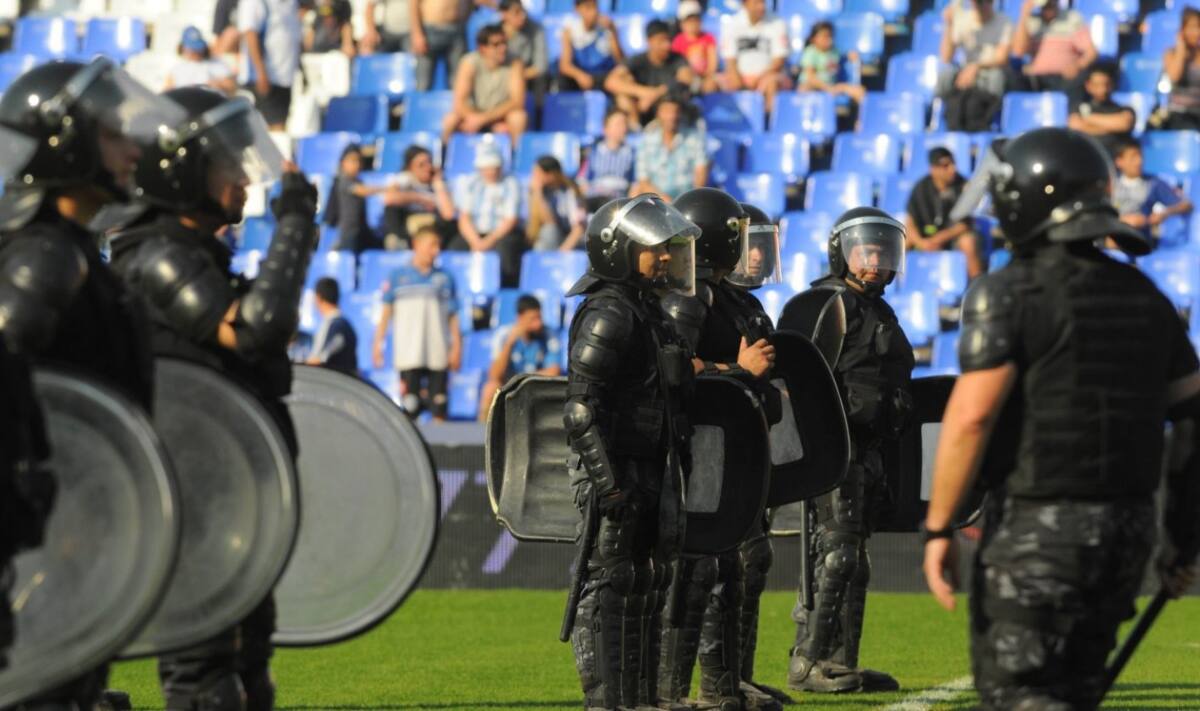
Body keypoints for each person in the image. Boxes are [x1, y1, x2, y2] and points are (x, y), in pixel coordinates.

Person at [921, 126, 1200, 711]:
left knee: (1022, 693)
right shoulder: (1148, 298)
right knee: (1076, 689)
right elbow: (1193, 422)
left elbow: (970, 420)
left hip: (1038, 534)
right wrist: (1183, 540)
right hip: (1127, 534)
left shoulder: (1012, 292)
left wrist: (940, 526)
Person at [110, 87, 318, 711]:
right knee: (205, 675)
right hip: (191, 484)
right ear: (184, 171)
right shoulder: (159, 255)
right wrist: (296, 226)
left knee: (249, 664)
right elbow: (254, 330)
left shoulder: (195, 251)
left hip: (227, 481)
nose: (245, 178)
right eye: (227, 162)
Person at [0, 57, 187, 710]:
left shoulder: (74, 249)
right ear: (65, 141)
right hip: (48, 537)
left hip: (77, 529)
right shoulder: (44, 254)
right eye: (113, 134)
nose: (133, 147)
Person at [563, 194, 699, 710]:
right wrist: (608, 484)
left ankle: (641, 700)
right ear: (618, 250)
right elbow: (580, 410)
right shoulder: (609, 314)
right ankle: (610, 702)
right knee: (613, 583)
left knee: (646, 579)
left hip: (648, 467)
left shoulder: (647, 311)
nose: (664, 256)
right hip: (617, 471)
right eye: (652, 248)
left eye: (667, 247)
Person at [657, 190, 784, 711]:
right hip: (697, 450)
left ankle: (722, 687)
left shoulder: (726, 297)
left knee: (729, 567)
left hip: (730, 450)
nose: (746, 249)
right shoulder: (689, 299)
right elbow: (671, 369)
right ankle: (670, 691)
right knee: (696, 570)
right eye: (736, 237)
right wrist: (738, 373)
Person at [788, 207, 913, 695]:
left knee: (855, 559)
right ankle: (807, 661)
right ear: (842, 253)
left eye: (883, 252)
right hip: (835, 452)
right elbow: (800, 379)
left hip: (873, 450)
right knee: (836, 556)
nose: (874, 262)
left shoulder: (882, 311)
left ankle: (843, 662)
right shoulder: (823, 304)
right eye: (865, 251)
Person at [372, 225, 462, 421]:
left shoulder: (445, 278)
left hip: (437, 350)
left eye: (438, 245)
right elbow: (386, 312)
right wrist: (377, 344)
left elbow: (453, 316)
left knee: (440, 406)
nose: (436, 250)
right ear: (417, 245)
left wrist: (456, 346)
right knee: (409, 408)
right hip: (408, 351)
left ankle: (443, 450)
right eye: (432, 245)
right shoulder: (397, 277)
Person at [448, 142, 525, 287]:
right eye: (487, 168)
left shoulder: (511, 183)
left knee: (506, 249)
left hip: (500, 234)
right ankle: (459, 285)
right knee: (456, 247)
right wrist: (475, 241)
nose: (491, 172)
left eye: (494, 168)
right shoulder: (471, 183)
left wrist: (488, 241)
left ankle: (505, 287)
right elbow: (464, 217)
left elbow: (510, 220)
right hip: (475, 234)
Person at [477, 293, 561, 420]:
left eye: (539, 317)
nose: (538, 323)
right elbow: (494, 375)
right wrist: (509, 344)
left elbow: (554, 372)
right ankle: (484, 435)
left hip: (536, 385)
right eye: (533, 319)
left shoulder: (549, 334)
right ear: (520, 318)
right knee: (490, 389)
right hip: (509, 386)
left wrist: (522, 381)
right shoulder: (503, 335)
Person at [440, 23, 527, 143]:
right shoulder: (469, 62)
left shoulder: (515, 63)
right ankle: (443, 157)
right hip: (472, 115)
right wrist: (475, 118)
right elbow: (459, 103)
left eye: (504, 43)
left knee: (518, 118)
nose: (503, 48)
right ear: (482, 48)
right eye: (496, 44)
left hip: (500, 117)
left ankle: (517, 157)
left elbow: (517, 102)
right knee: (450, 119)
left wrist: (484, 119)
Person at [904, 147, 984, 279]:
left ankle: (976, 283)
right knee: (902, 239)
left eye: (953, 163)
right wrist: (921, 242)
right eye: (946, 165)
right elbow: (910, 221)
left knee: (968, 241)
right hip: (926, 236)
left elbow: (966, 224)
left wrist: (938, 239)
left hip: (952, 238)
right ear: (933, 169)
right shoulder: (921, 188)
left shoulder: (963, 185)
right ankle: (895, 283)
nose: (952, 169)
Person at [937, 0, 1012, 131]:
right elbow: (946, 57)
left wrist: (975, 67)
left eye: (985, 2)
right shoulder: (963, 20)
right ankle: (946, 118)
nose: (982, 5)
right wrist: (949, 24)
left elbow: (1002, 58)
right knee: (945, 75)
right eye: (978, 2)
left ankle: (989, 119)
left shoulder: (1004, 21)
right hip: (965, 72)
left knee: (996, 77)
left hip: (989, 72)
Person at [605, 20, 694, 128]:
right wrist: (643, 92)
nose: (667, 45)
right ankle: (634, 128)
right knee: (623, 92)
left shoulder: (677, 59)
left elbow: (686, 79)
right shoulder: (637, 60)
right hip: (640, 109)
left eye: (668, 40)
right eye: (662, 41)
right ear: (650, 41)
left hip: (667, 113)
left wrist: (655, 94)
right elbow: (611, 82)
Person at [1112, 138, 1193, 248]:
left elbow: (1186, 205)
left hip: (1139, 242)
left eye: (1140, 156)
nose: (1139, 161)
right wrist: (1122, 221)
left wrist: (1165, 213)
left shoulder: (1153, 183)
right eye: (1133, 157)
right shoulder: (1109, 184)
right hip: (1111, 237)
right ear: (1119, 161)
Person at [630, 92, 709, 202]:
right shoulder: (646, 141)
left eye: (675, 111)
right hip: (656, 200)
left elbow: (700, 178)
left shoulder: (695, 139)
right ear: (658, 113)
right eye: (667, 111)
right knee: (635, 191)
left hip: (686, 201)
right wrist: (664, 200)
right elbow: (643, 181)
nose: (672, 116)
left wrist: (689, 202)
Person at [238, 0, 303, 131]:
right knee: (273, 132)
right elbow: (250, 34)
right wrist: (260, 72)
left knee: (281, 129)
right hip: (264, 78)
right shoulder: (256, 3)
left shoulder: (292, 3)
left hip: (285, 78)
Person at [1010, 0, 1096, 96]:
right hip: (1036, 77)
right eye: (1045, 6)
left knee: (1079, 79)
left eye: (1051, 4)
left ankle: (1073, 110)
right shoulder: (1031, 22)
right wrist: (1024, 15)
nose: (1048, 8)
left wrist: (1078, 65)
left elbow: (1091, 52)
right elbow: (1018, 51)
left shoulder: (1071, 19)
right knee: (1013, 79)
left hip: (1064, 77)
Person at [381, 145, 456, 250]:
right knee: (391, 210)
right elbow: (388, 198)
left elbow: (448, 214)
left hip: (432, 230)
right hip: (407, 231)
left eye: (429, 162)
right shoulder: (404, 179)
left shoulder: (439, 183)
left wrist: (438, 184)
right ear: (410, 168)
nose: (427, 167)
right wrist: (420, 198)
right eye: (421, 165)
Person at [720, 0, 790, 112]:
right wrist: (737, 79)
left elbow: (779, 60)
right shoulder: (732, 24)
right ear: (745, 4)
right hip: (740, 76)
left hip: (768, 75)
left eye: (763, 2)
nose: (761, 7)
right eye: (756, 3)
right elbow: (730, 60)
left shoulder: (777, 23)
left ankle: (768, 122)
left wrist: (759, 78)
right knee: (714, 84)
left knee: (771, 83)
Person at [324, 144, 383, 253]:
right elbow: (362, 191)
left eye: (359, 161)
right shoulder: (343, 181)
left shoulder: (358, 181)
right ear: (343, 163)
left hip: (361, 230)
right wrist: (385, 189)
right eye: (352, 160)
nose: (356, 164)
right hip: (349, 232)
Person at [1067, 65, 1135, 156]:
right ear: (1088, 86)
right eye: (1097, 85)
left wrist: (1087, 119)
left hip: (1115, 160)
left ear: (1112, 84)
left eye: (1106, 84)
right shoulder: (1077, 108)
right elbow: (1075, 127)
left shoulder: (1123, 109)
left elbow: (1124, 123)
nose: (1103, 89)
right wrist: (1112, 128)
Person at [558, 0, 623, 93]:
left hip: (603, 76)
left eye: (595, 7)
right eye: (588, 7)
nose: (594, 12)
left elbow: (620, 60)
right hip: (582, 75)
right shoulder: (570, 31)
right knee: (563, 78)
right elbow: (564, 65)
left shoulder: (608, 29)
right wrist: (580, 75)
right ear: (577, 9)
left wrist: (613, 33)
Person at [580, 108, 636, 212]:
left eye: (624, 124)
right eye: (618, 124)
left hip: (619, 202)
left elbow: (635, 183)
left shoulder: (631, 153)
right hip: (596, 200)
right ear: (605, 129)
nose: (623, 128)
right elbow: (583, 180)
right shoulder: (593, 152)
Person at [410, 0, 471, 92]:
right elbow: (414, 4)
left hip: (457, 31)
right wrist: (417, 33)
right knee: (423, 83)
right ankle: (421, 105)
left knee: (457, 82)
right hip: (429, 31)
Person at [798, 21, 864, 106]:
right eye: (824, 36)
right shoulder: (810, 52)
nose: (829, 39)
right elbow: (810, 77)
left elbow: (847, 57)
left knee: (859, 91)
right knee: (803, 89)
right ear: (813, 39)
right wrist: (827, 88)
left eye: (830, 36)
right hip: (814, 86)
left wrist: (853, 57)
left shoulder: (835, 51)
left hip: (833, 85)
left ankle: (861, 118)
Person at [528, 155, 586, 251]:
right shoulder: (539, 192)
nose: (534, 178)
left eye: (538, 174)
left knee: (549, 233)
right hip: (551, 239)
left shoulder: (571, 191)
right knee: (546, 234)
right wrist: (538, 193)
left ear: (551, 175)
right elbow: (548, 222)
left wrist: (562, 252)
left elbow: (579, 228)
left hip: (571, 241)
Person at [307, 277, 358, 375]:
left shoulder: (338, 326)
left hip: (335, 382)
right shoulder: (336, 323)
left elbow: (322, 357)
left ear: (318, 297)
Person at [165, 25, 238, 94]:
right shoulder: (176, 69)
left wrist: (216, 84)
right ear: (183, 48)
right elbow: (166, 94)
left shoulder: (216, 64)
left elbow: (231, 87)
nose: (195, 53)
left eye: (197, 49)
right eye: (192, 49)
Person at [498, 0, 548, 98]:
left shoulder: (536, 30)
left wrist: (516, 77)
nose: (522, 16)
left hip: (526, 78)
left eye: (523, 11)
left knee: (541, 80)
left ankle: (538, 111)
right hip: (499, 79)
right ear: (504, 14)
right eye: (516, 12)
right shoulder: (493, 34)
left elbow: (540, 67)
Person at [1163, 8, 1200, 131]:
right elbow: (1174, 77)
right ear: (1182, 30)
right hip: (1179, 114)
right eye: (1192, 27)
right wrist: (1181, 48)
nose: (1197, 32)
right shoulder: (1171, 53)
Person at [672, 0, 719, 95]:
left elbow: (713, 63)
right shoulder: (678, 41)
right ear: (682, 23)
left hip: (705, 78)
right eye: (689, 21)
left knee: (713, 84)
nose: (693, 24)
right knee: (683, 76)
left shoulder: (708, 38)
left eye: (696, 19)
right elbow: (676, 65)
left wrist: (708, 75)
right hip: (688, 79)